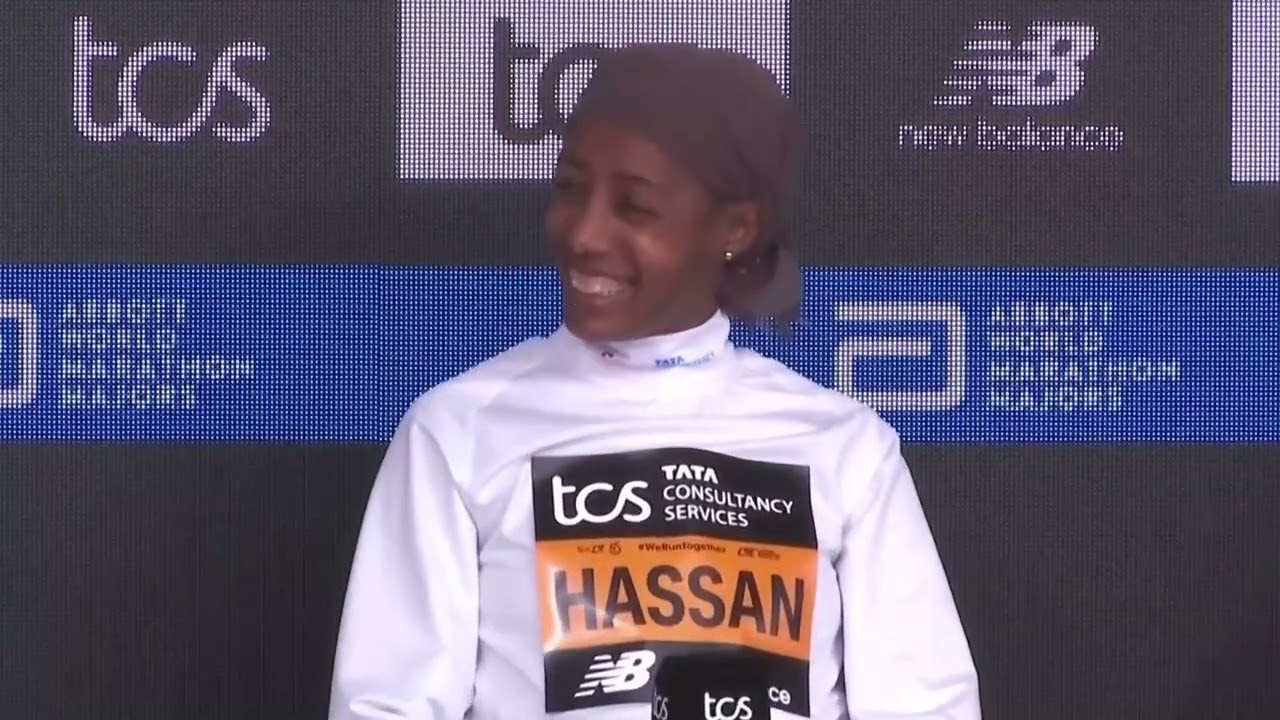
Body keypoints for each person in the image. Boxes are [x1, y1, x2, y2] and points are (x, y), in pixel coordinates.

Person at [328, 44, 980, 720]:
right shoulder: (458, 429)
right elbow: (385, 705)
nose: (584, 234)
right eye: (570, 189)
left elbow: (928, 708)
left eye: (634, 207)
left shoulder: (846, 448)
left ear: (736, 228)